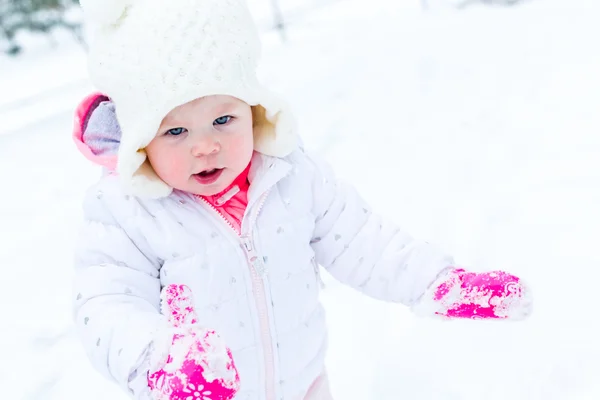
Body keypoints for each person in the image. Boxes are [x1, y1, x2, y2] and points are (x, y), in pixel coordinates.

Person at [73, 0, 532, 399]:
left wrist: (434, 282)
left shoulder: (290, 175)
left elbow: (363, 241)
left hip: (304, 385)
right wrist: (161, 362)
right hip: (198, 392)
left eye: (224, 119)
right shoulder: (127, 212)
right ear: (138, 140)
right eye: (175, 131)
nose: (205, 145)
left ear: (254, 111)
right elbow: (106, 305)